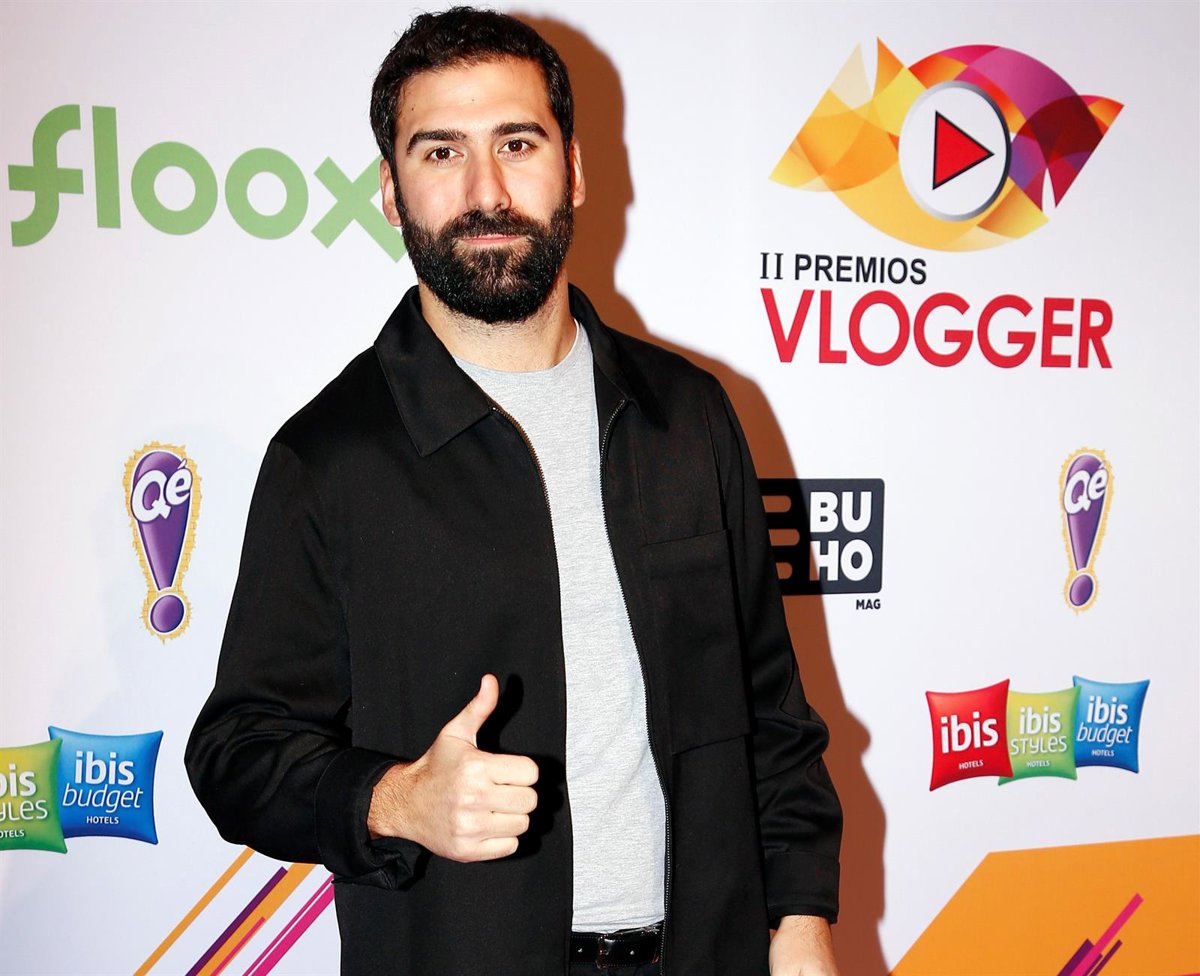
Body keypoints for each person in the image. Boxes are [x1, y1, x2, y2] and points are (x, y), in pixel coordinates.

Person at [185, 7, 842, 975]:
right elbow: (236, 751)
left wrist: (802, 920)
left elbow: (772, 714)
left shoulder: (689, 416)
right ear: (389, 189)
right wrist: (395, 800)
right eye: (441, 151)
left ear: (573, 168)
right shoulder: (331, 456)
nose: (485, 190)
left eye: (517, 144)